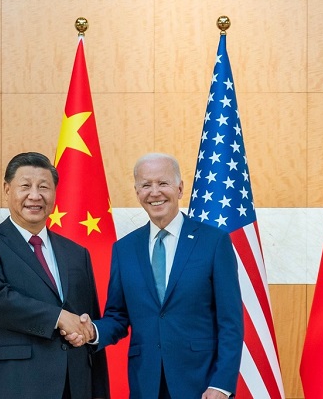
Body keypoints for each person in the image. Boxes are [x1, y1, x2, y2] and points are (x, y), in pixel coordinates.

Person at [87, 153, 244, 399]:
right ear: (137, 192)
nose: (154, 192)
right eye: (146, 185)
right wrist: (92, 331)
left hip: (201, 384)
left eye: (163, 183)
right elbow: (118, 315)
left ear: (180, 188)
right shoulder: (124, 248)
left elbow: (230, 322)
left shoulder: (214, 242)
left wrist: (222, 384)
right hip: (145, 384)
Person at [0, 151, 108, 399]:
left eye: (44, 187)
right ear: (7, 189)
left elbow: (88, 317)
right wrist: (59, 317)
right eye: (25, 186)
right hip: (18, 383)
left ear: (54, 193)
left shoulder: (76, 253)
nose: (35, 195)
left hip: (76, 384)